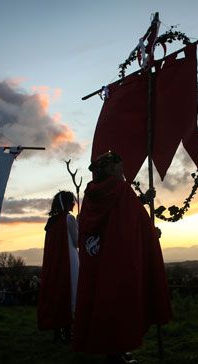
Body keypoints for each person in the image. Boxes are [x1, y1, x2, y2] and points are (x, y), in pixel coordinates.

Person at [73, 151, 172, 364]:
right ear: (112, 169)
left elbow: (116, 216)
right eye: (120, 167)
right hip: (118, 260)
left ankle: (112, 350)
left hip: (97, 259)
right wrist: (149, 235)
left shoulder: (90, 193)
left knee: (102, 300)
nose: (123, 171)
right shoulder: (121, 189)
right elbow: (129, 223)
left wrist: (142, 200)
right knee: (119, 303)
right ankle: (116, 351)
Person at [37, 190, 79, 343]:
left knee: (57, 294)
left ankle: (57, 333)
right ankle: (68, 332)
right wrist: (80, 224)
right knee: (70, 294)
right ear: (67, 203)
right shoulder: (69, 219)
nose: (74, 204)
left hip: (55, 264)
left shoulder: (51, 223)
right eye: (72, 201)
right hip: (70, 262)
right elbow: (77, 241)